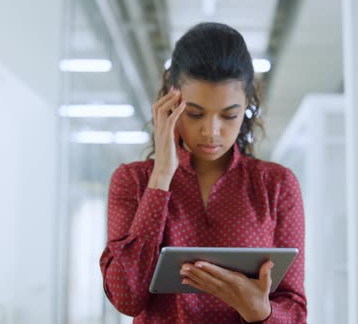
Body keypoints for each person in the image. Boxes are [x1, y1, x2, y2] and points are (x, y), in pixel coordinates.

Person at [99, 22, 307, 323]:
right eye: (194, 113)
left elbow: (296, 311)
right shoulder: (132, 181)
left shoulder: (276, 184)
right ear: (171, 102)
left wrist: (261, 311)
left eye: (229, 114)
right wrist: (160, 178)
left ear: (247, 105)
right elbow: (126, 297)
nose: (211, 131)